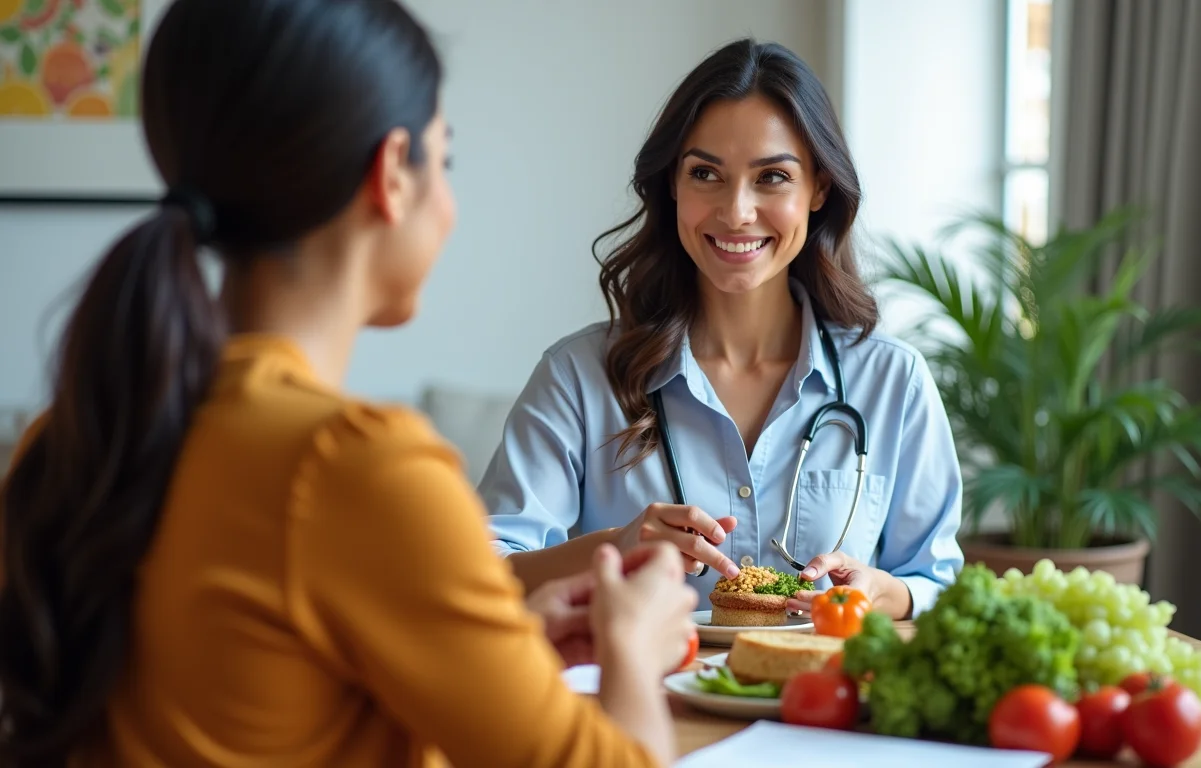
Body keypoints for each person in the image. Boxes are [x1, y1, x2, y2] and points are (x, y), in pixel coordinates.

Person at [0, 1, 695, 766]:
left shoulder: (70, 436)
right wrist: (633, 648)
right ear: (392, 173)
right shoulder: (355, 464)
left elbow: (256, 689)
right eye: (444, 158)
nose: (450, 205)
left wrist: (510, 635)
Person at [480, 38, 964, 621]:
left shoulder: (893, 381)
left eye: (772, 177)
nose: (736, 212)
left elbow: (936, 580)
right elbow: (484, 571)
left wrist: (888, 593)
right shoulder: (577, 378)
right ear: (672, 186)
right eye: (706, 173)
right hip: (640, 706)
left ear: (819, 188)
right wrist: (614, 546)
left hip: (821, 710)